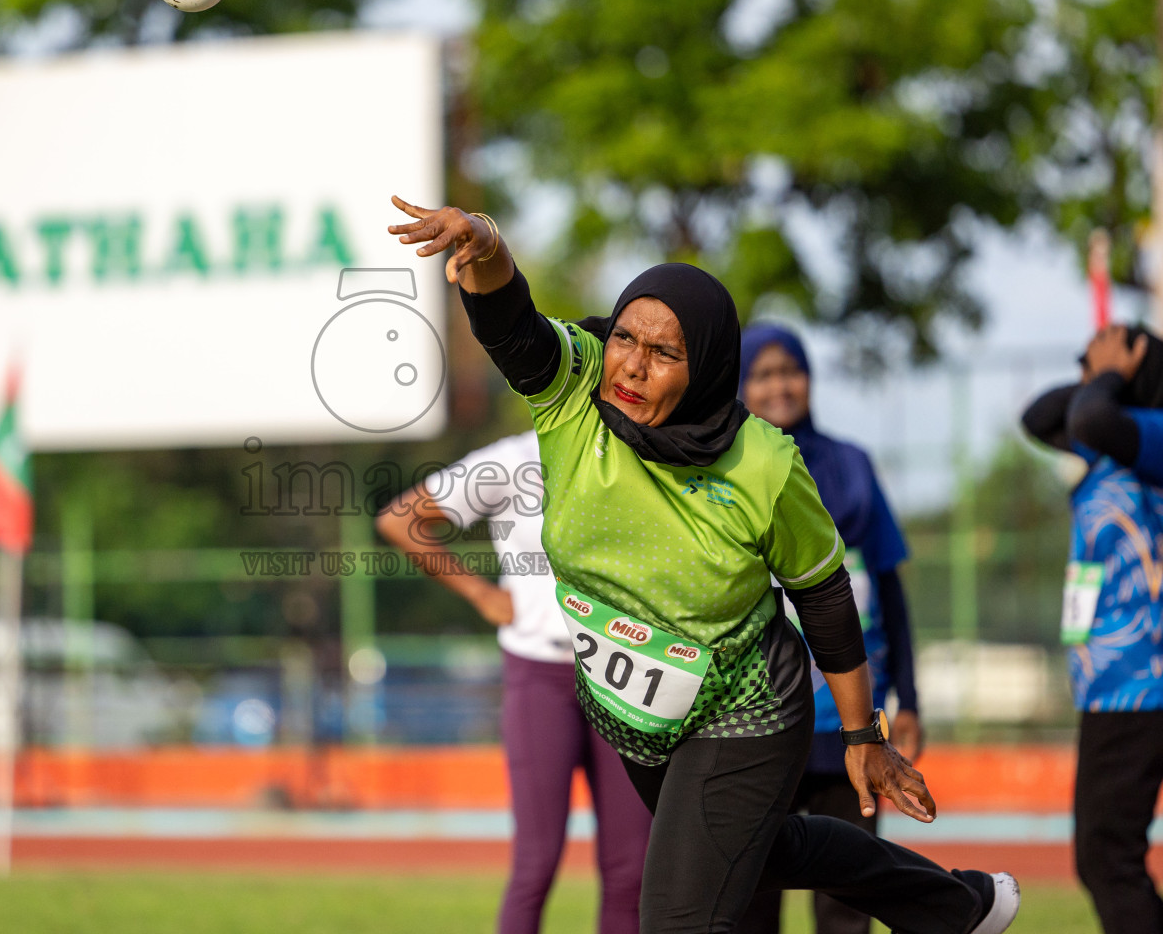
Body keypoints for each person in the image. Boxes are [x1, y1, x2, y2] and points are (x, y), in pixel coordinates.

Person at [386, 195, 1018, 934]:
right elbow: (511, 326)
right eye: (625, 338)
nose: (633, 368)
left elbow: (825, 600)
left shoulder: (766, 463)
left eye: (665, 354)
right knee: (765, 851)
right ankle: (959, 907)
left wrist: (862, 738)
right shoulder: (577, 395)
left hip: (747, 706)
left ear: (712, 365)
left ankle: (955, 907)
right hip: (639, 718)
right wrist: (486, 242)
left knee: (676, 915)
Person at [377, 431, 652, 934]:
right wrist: (482, 596)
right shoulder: (514, 459)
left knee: (631, 871)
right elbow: (401, 519)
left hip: (626, 677)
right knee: (537, 863)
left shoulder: (646, 452)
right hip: (541, 675)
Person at [734, 324, 923, 934]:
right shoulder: (727, 467)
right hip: (759, 719)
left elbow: (890, 591)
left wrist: (909, 701)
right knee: (752, 891)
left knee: (847, 898)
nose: (780, 385)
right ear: (739, 386)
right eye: (761, 374)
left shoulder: (852, 465)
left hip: (852, 720)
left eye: (791, 370)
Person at [1021, 323, 1163, 934]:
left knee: (1106, 857)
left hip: (1143, 681)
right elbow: (1039, 416)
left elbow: (1094, 420)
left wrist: (1111, 374)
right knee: (1108, 855)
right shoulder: (1104, 446)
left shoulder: (1151, 435)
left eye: (1111, 350)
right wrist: (1101, 369)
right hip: (1112, 685)